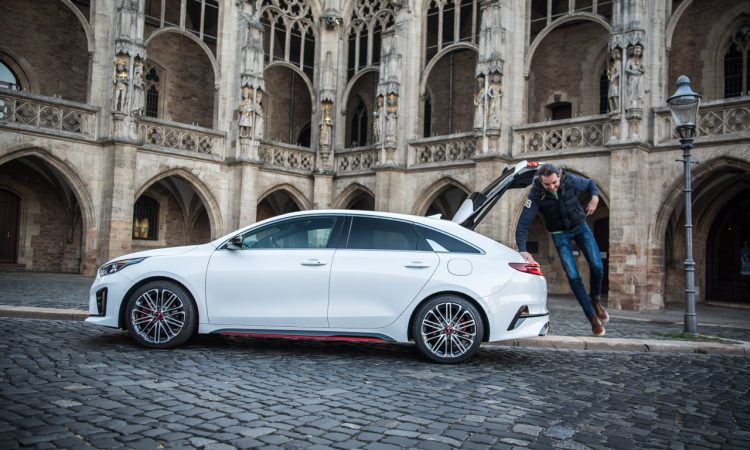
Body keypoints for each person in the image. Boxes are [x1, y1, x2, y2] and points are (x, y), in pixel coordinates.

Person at [515, 163, 609, 336]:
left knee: (597, 266)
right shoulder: (536, 194)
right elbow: (522, 224)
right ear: (541, 182)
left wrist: (594, 197)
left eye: (554, 183)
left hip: (580, 226)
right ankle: (592, 319)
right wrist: (523, 249)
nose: (551, 187)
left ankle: (595, 298)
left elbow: (590, 184)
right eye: (547, 184)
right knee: (573, 277)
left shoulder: (570, 180)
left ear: (559, 176)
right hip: (560, 234)